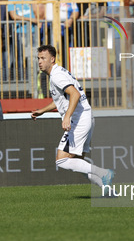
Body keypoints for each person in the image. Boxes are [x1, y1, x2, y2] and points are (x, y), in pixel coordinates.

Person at [31, 45, 115, 196]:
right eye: (38, 58)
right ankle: (107, 189)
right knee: (77, 163)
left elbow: (74, 94)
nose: (39, 61)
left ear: (52, 59)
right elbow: (61, 100)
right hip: (86, 116)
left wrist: (68, 116)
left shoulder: (57, 76)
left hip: (79, 119)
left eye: (43, 58)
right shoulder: (57, 73)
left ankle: (103, 173)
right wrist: (42, 111)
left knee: (61, 160)